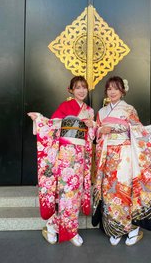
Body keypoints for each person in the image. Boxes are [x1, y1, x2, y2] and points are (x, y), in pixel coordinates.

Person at [92, 76, 151, 246]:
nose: (112, 92)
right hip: (106, 156)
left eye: (116, 89)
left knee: (123, 190)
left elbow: (138, 130)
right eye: (109, 89)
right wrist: (99, 130)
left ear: (122, 91)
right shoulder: (102, 112)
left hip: (124, 156)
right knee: (109, 192)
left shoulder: (129, 109)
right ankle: (114, 229)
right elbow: (96, 133)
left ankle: (132, 228)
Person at [28, 76, 95, 246]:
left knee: (74, 194)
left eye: (84, 87)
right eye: (77, 87)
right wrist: (39, 119)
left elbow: (91, 135)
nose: (81, 90)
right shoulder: (65, 106)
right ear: (71, 90)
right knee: (60, 194)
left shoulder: (89, 110)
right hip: (64, 156)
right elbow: (51, 125)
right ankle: (51, 227)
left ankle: (71, 231)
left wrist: (91, 125)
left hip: (79, 157)